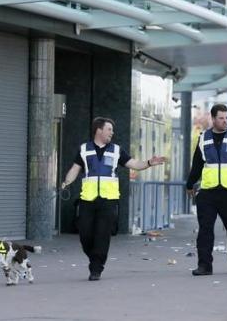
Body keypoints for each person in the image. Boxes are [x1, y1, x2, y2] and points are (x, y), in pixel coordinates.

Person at [62, 117, 166, 281]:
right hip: (88, 199)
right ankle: (94, 258)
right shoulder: (84, 149)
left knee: (102, 235)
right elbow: (75, 169)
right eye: (109, 129)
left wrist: (149, 163)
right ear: (99, 130)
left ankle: (96, 268)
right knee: (85, 234)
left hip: (109, 200)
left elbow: (134, 164)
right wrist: (66, 183)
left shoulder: (117, 150)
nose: (112, 132)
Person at [186, 104, 227, 275]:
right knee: (205, 230)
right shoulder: (204, 138)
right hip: (208, 191)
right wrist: (190, 184)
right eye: (221, 118)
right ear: (213, 119)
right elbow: (197, 164)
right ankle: (204, 266)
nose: (225, 121)